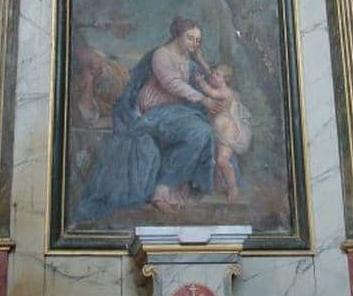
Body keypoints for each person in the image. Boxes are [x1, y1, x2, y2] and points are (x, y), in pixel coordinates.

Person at [71, 17, 222, 223]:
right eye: (190, 38)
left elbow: (212, 81)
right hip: (152, 114)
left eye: (198, 40)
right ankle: (163, 187)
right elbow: (173, 84)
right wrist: (203, 99)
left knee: (203, 132)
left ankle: (165, 186)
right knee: (200, 131)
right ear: (177, 36)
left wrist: (201, 59)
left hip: (174, 114)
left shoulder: (189, 62)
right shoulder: (161, 55)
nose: (195, 43)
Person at [195, 64, 252, 203]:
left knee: (222, 160)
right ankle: (221, 185)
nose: (213, 75)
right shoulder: (222, 90)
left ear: (225, 79)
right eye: (213, 73)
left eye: (217, 74)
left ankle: (233, 188)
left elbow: (211, 93)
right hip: (219, 132)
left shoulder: (226, 92)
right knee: (216, 160)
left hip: (227, 133)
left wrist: (201, 82)